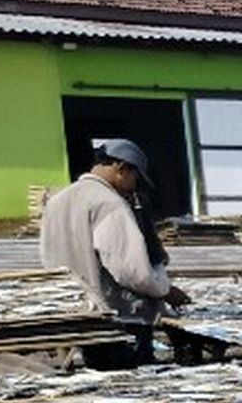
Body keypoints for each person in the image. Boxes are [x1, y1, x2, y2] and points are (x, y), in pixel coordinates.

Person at [40, 139, 190, 369]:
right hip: (117, 320)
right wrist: (166, 291)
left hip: (74, 317)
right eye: (135, 178)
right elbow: (131, 271)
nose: (134, 186)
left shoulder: (57, 202)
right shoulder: (109, 203)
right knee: (133, 394)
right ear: (122, 169)